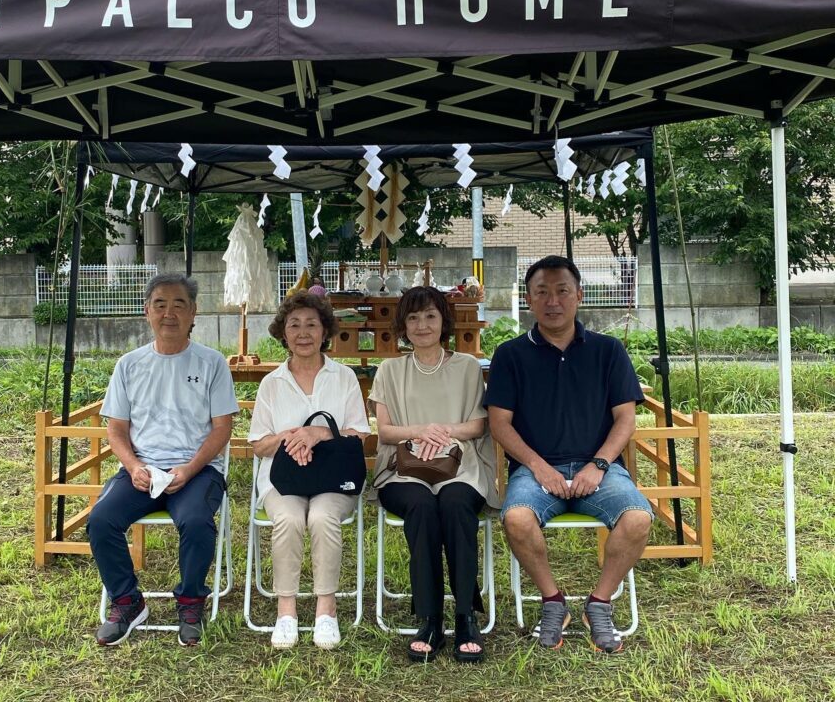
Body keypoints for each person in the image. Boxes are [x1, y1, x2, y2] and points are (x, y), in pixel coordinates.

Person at [485, 255, 653, 653]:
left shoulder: (608, 350)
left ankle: (599, 603)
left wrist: (599, 465)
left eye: (562, 291)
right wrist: (539, 467)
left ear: (579, 295)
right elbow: (500, 424)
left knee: (638, 519)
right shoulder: (510, 355)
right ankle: (552, 601)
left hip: (600, 469)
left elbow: (625, 420)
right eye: (542, 292)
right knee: (517, 519)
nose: (553, 301)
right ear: (528, 300)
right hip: (535, 470)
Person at [88, 274, 239, 647]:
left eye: (179, 304)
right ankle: (126, 602)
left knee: (196, 521)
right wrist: (135, 466)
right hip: (142, 469)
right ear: (146, 311)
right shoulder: (129, 364)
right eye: (160, 304)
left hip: (197, 469)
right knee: (101, 520)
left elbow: (222, 428)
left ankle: (190, 602)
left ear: (194, 313)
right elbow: (117, 430)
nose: (169, 313)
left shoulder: (212, 362)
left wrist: (189, 469)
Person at [370, 285, 500, 664]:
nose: (422, 324)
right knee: (423, 506)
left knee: (457, 504)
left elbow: (477, 425)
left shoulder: (468, 367)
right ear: (402, 325)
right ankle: (428, 619)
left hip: (461, 464)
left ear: (444, 321)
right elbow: (386, 432)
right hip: (403, 468)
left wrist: (441, 433)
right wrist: (421, 432)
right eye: (413, 317)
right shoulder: (390, 370)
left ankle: (465, 618)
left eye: (430, 315)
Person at [248, 290, 370, 650]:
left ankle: (325, 610)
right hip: (282, 478)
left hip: (334, 477)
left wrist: (319, 434)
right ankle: (286, 611)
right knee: (288, 519)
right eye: (294, 325)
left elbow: (360, 434)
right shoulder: (272, 383)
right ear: (282, 333)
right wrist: (292, 438)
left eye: (311, 325)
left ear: (325, 331)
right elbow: (258, 444)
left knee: (320, 518)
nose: (303, 333)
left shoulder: (344, 376)